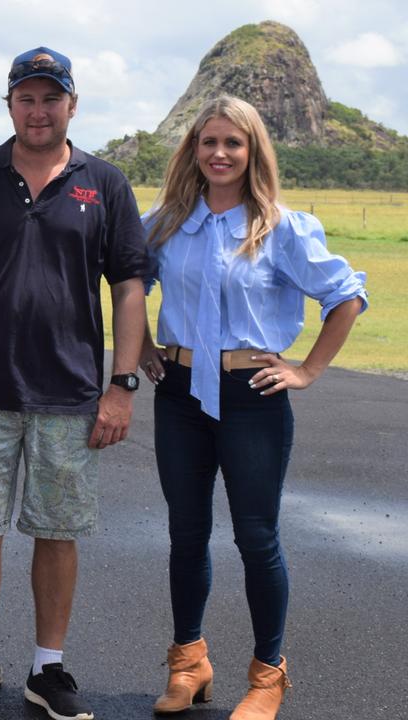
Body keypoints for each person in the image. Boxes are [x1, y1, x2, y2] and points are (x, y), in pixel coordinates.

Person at [0, 47, 148, 720]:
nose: (39, 109)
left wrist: (122, 386)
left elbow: (130, 287)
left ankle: (47, 670)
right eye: (27, 97)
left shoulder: (103, 183)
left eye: (52, 97)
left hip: (70, 396)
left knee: (57, 532)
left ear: (71, 105)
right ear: (9, 104)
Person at [140, 96, 367, 720]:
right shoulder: (163, 222)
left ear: (252, 152)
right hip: (180, 393)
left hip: (253, 396)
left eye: (232, 144)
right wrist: (136, 345)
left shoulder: (282, 228)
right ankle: (190, 663)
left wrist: (307, 369)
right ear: (192, 150)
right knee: (185, 535)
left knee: (256, 537)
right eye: (207, 142)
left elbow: (345, 295)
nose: (218, 153)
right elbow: (125, 282)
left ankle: (268, 676)